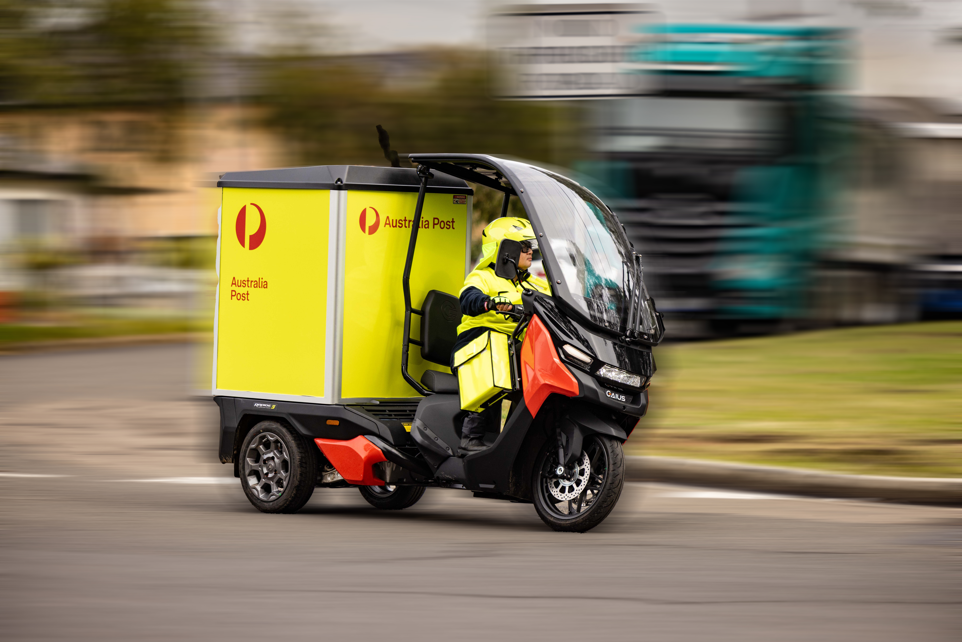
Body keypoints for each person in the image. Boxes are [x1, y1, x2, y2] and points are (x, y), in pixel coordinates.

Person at [452, 217, 551, 454]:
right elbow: (468, 300)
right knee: (495, 352)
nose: (530, 251)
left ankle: (517, 441)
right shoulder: (482, 277)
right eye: (524, 246)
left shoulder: (536, 284)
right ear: (506, 250)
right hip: (477, 343)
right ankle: (470, 436)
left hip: (516, 344)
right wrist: (489, 302)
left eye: (530, 247)